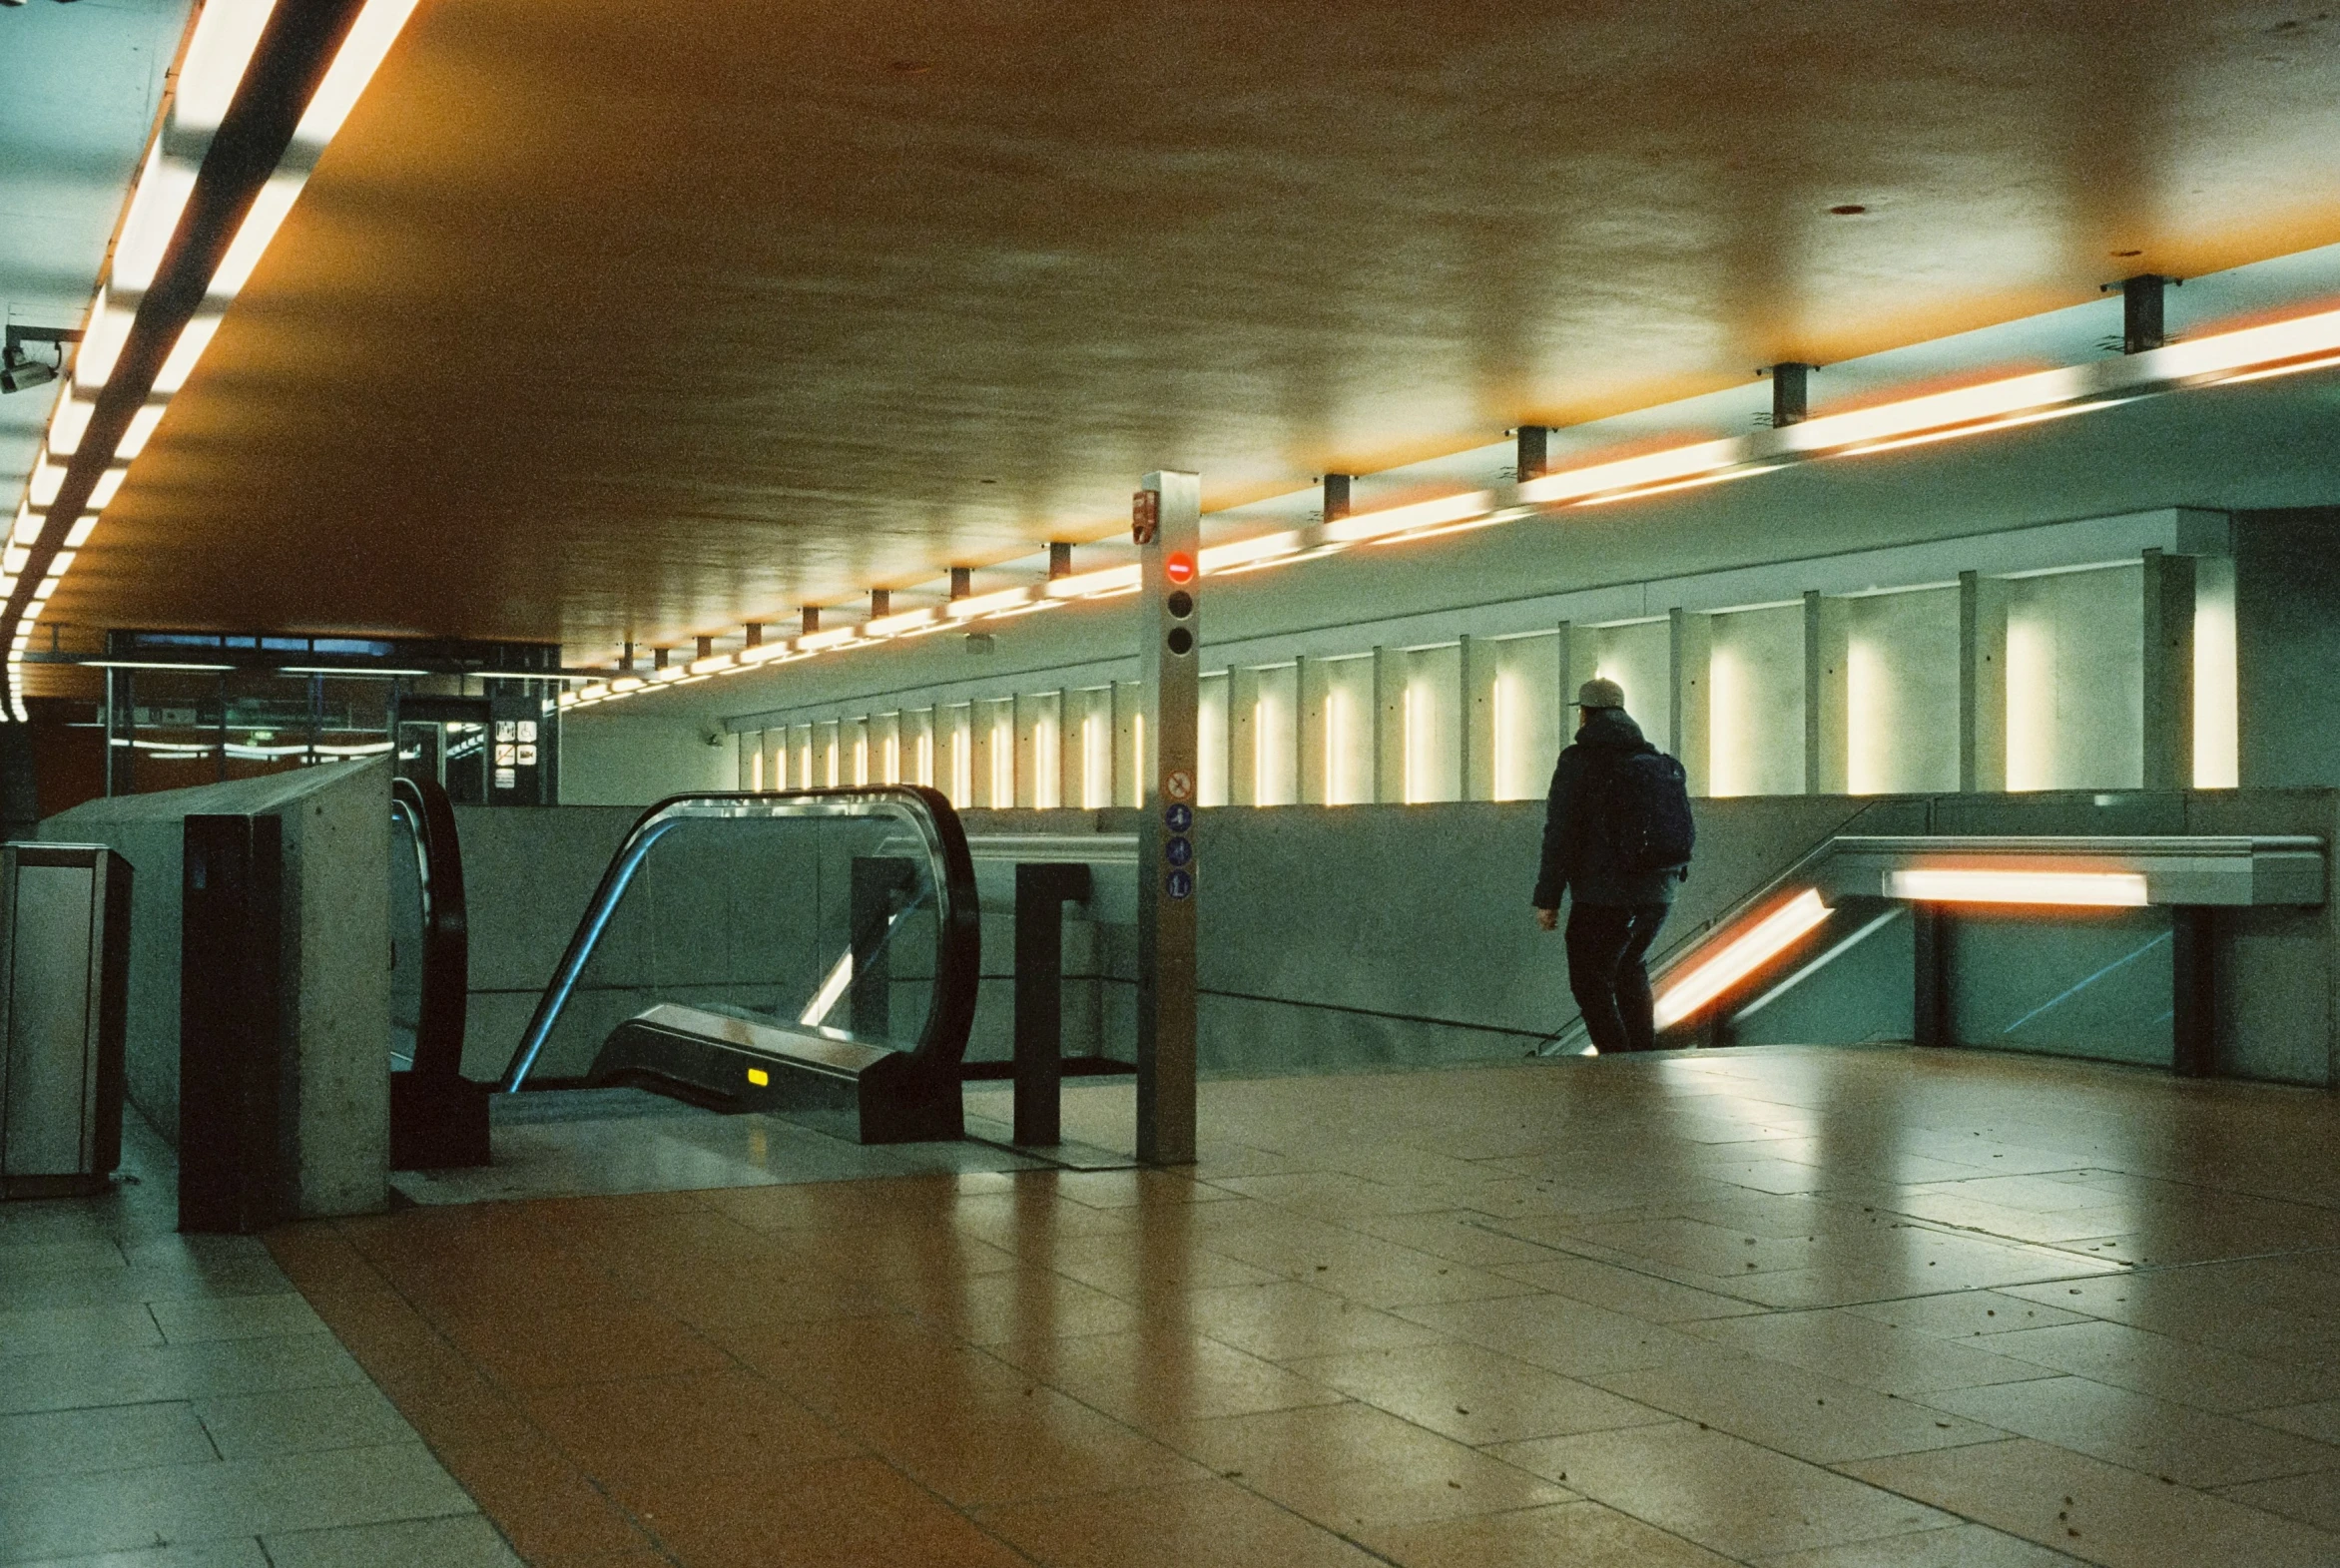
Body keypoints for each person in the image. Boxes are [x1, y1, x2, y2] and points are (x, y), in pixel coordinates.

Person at [1531, 678, 1692, 1053]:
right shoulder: (1654, 759)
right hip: (1659, 890)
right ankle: (1640, 1062)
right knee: (1629, 967)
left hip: (1605, 895)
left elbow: (1560, 831)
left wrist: (1548, 898)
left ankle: (1616, 1066)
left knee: (1589, 981)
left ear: (1585, 714)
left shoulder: (1578, 761)